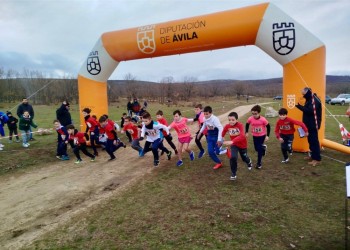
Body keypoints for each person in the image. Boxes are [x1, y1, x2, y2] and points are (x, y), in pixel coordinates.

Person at [222, 112, 253, 180]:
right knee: (233, 157)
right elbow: (223, 131)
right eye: (229, 120)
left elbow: (242, 136)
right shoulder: (227, 126)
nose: (231, 121)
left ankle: (249, 162)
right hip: (234, 145)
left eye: (233, 120)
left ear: (236, 119)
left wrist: (232, 141)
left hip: (242, 145)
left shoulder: (240, 125)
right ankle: (233, 174)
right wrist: (222, 136)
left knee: (244, 158)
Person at [295, 87, 322, 166]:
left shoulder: (315, 100)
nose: (303, 96)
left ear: (307, 92)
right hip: (308, 124)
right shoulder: (309, 99)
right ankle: (312, 156)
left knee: (314, 141)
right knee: (310, 141)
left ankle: (317, 159)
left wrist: (299, 106)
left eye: (303, 94)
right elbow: (307, 109)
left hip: (313, 125)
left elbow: (310, 111)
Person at [245, 105, 270, 169]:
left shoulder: (263, 119)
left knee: (259, 150)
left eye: (255, 114)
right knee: (256, 148)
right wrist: (246, 132)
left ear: (259, 112)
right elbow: (247, 124)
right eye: (252, 113)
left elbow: (268, 126)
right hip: (255, 135)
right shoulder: (250, 118)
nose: (254, 115)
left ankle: (259, 164)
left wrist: (267, 136)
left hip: (262, 135)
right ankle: (263, 148)